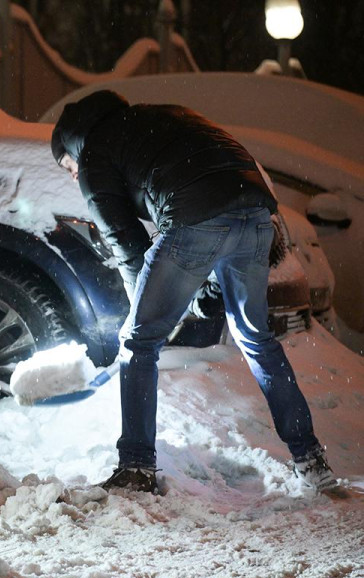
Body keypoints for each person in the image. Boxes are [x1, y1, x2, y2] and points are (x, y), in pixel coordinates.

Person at [51, 90, 336, 494]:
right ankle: (310, 460)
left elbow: (125, 242)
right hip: (256, 211)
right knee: (256, 338)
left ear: (74, 145)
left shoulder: (96, 153)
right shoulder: (162, 114)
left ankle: (136, 468)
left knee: (138, 342)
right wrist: (205, 289)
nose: (74, 175)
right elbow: (220, 170)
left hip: (197, 214)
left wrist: (146, 308)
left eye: (67, 166)